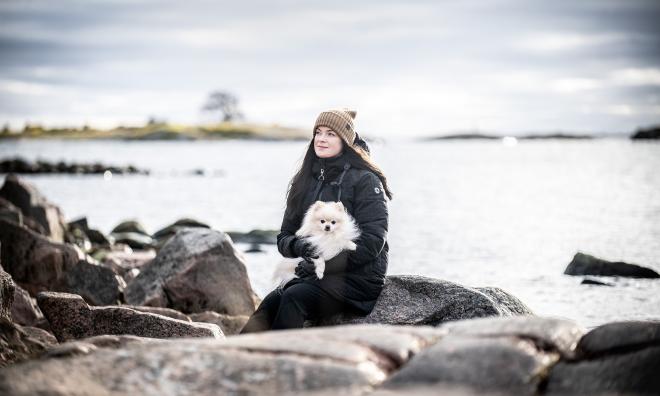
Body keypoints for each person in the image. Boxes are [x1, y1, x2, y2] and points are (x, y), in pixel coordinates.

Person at [240, 108, 393, 333]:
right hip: (312, 272)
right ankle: (236, 359)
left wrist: (324, 267)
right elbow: (284, 237)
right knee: (269, 305)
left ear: (345, 141)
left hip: (357, 278)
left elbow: (373, 242)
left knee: (293, 297)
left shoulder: (366, 181)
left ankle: (283, 362)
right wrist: (303, 247)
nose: (321, 139)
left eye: (331, 134)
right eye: (318, 132)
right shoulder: (303, 180)